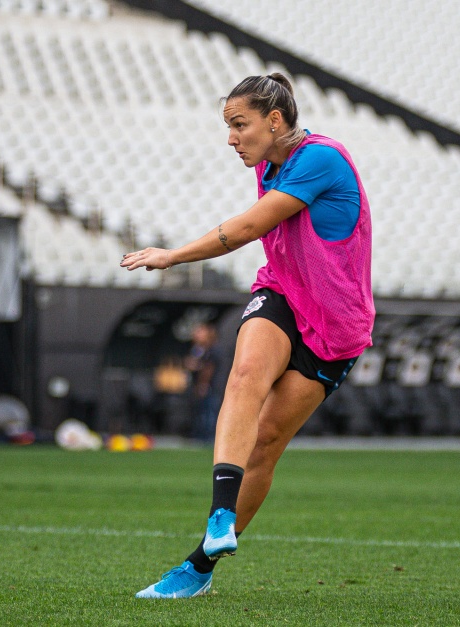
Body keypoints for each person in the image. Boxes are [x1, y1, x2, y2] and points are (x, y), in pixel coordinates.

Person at [122, 73, 374, 598]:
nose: (231, 139)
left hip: (335, 327)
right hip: (283, 293)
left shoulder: (321, 159)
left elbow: (245, 229)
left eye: (240, 125)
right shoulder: (269, 161)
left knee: (266, 444)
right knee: (243, 377)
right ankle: (220, 517)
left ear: (275, 121)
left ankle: (197, 571)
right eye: (228, 127)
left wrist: (171, 256)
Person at [185, 323, 220, 441]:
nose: (196, 334)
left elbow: (208, 368)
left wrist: (203, 384)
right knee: (199, 411)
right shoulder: (197, 349)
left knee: (208, 412)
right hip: (196, 385)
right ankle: (199, 435)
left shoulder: (212, 349)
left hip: (209, 387)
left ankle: (208, 437)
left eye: (200, 332)